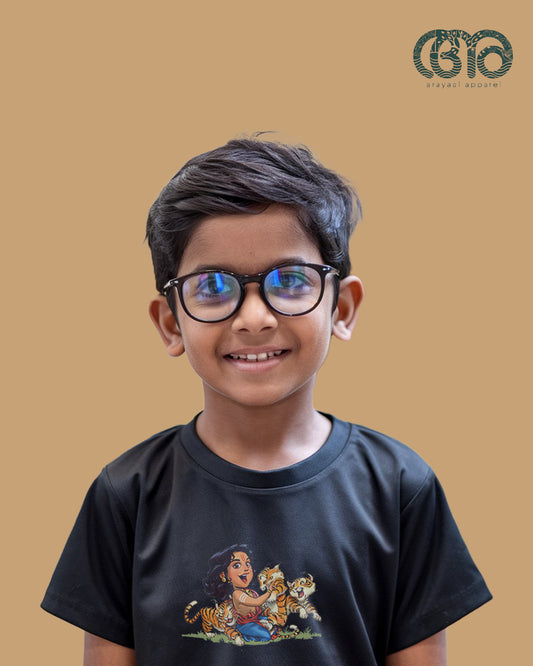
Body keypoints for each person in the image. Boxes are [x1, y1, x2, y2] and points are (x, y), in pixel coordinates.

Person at [42, 135, 492, 665]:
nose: (254, 318)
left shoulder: (401, 487)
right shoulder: (126, 494)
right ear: (170, 323)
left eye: (291, 280)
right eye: (212, 285)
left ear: (342, 307)